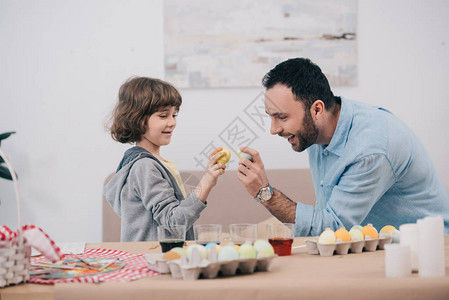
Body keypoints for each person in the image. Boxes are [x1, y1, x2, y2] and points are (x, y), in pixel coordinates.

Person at [237, 58, 449, 236]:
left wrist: (265, 193)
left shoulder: (370, 149)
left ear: (317, 109)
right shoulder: (317, 129)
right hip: (374, 245)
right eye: (270, 117)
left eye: (281, 117)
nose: (273, 129)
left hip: (428, 249)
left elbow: (333, 229)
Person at [104, 77, 226, 241]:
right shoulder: (144, 166)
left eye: (174, 115)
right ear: (138, 119)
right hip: (152, 257)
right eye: (163, 116)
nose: (172, 122)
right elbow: (173, 223)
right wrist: (206, 182)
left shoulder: (150, 163)